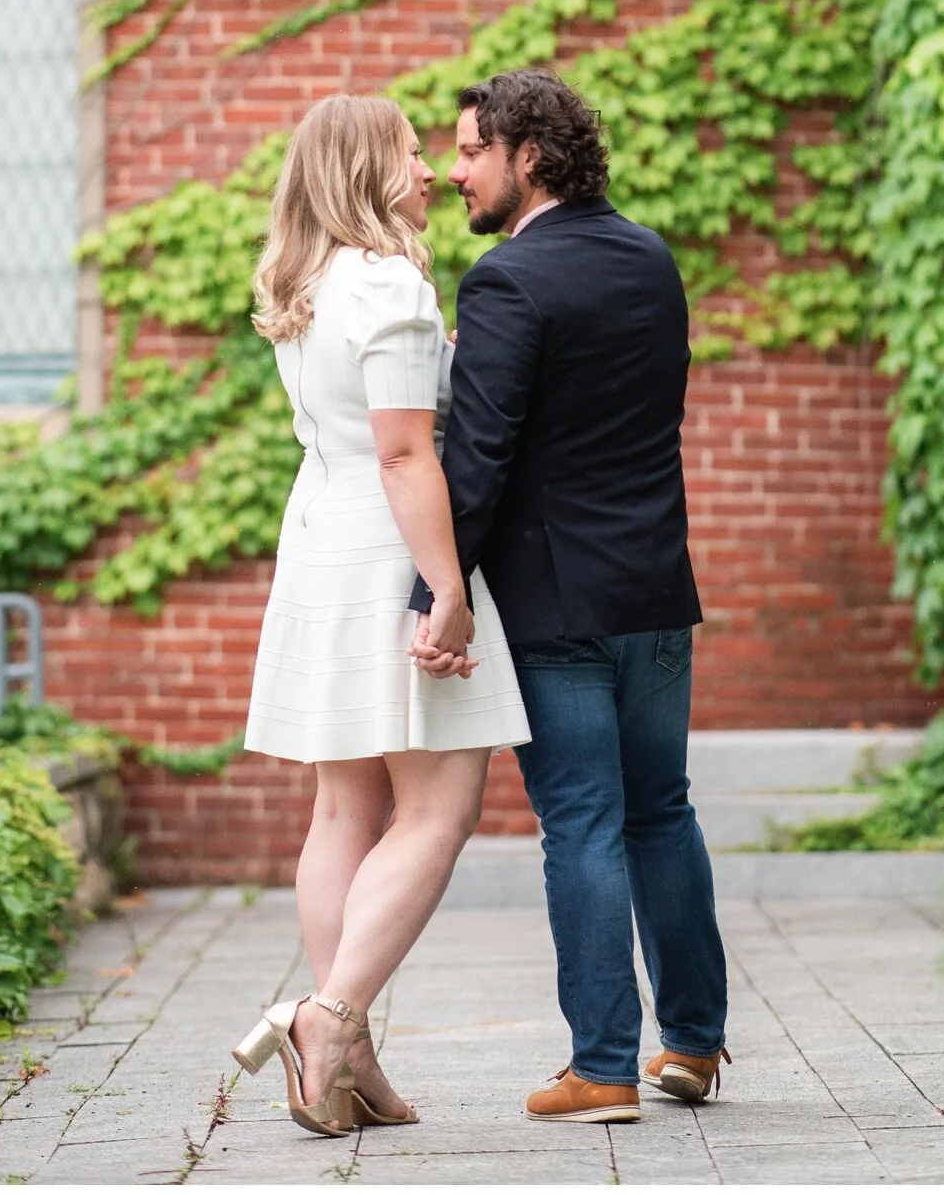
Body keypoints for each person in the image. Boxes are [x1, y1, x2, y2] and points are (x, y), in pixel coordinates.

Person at [411, 69, 729, 1125]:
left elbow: (481, 453)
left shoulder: (507, 281)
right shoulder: (651, 257)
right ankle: (689, 1042)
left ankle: (601, 1064)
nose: (454, 170)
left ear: (527, 155)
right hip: (654, 587)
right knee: (661, 809)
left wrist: (437, 588)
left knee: (582, 820)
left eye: (467, 150)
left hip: (556, 603)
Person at [232, 93, 530, 1137]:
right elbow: (407, 454)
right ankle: (331, 1016)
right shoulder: (392, 284)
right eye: (412, 153)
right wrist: (446, 589)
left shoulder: (305, 279)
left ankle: (344, 1059)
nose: (431, 171)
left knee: (343, 810)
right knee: (441, 807)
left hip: (319, 536)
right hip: (388, 545)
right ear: (369, 169)